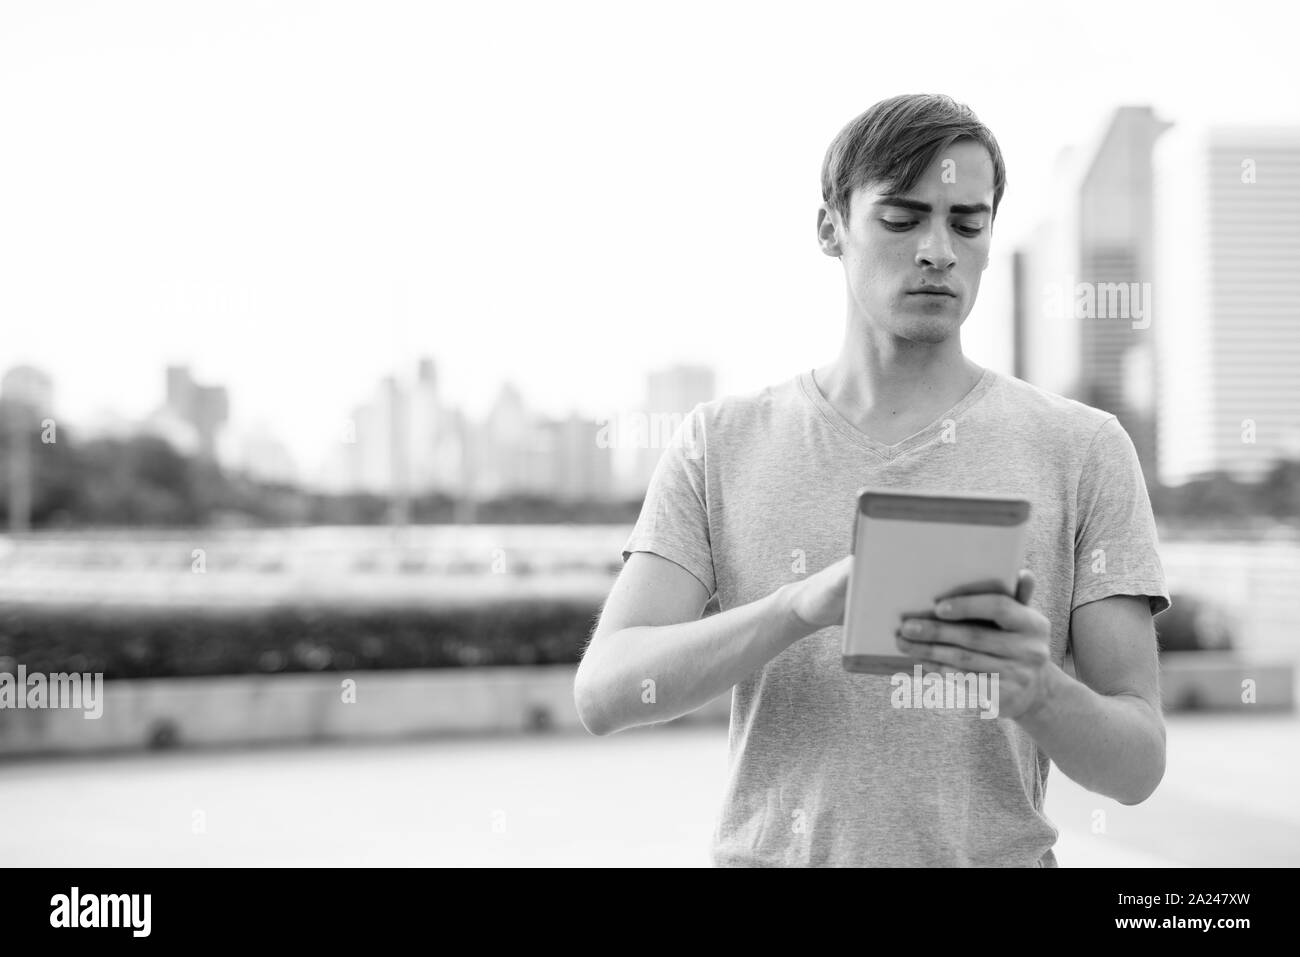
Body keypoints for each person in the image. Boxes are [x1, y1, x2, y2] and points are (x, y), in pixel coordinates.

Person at [573, 93, 1171, 867]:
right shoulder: (719, 442)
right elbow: (605, 692)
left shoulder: (1085, 447)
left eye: (967, 221)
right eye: (902, 217)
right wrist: (798, 607)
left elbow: (1138, 765)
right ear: (831, 227)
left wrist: (1035, 690)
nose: (937, 250)